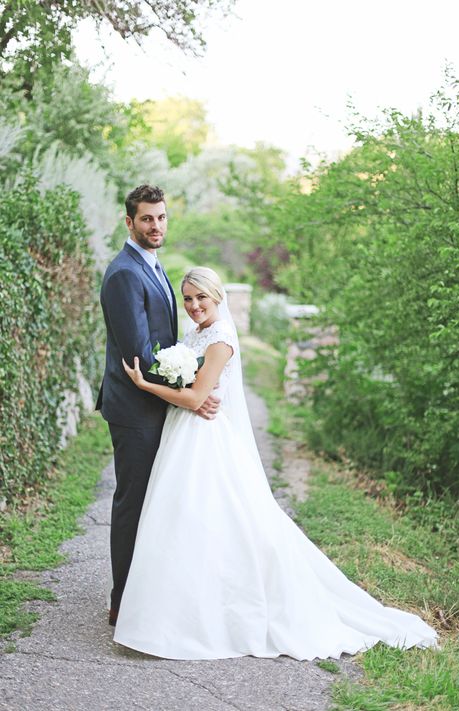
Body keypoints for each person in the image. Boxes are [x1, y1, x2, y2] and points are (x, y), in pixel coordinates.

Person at [113, 266, 438, 661]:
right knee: (185, 519)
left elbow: (199, 398)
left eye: (202, 297)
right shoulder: (196, 334)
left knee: (206, 517)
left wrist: (147, 385)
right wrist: (183, 388)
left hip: (206, 439)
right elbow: (195, 391)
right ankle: (177, 611)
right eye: (188, 298)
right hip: (184, 434)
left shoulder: (221, 339)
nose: (194, 305)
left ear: (218, 298)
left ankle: (207, 617)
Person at [96, 186, 218, 626]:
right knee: (133, 502)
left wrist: (193, 385)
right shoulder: (125, 272)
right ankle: (122, 601)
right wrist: (191, 394)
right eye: (147, 219)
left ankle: (147, 593)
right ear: (129, 222)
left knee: (155, 500)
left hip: (153, 405)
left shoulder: (152, 265)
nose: (156, 226)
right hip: (134, 408)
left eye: (162, 217)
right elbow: (140, 355)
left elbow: (165, 342)